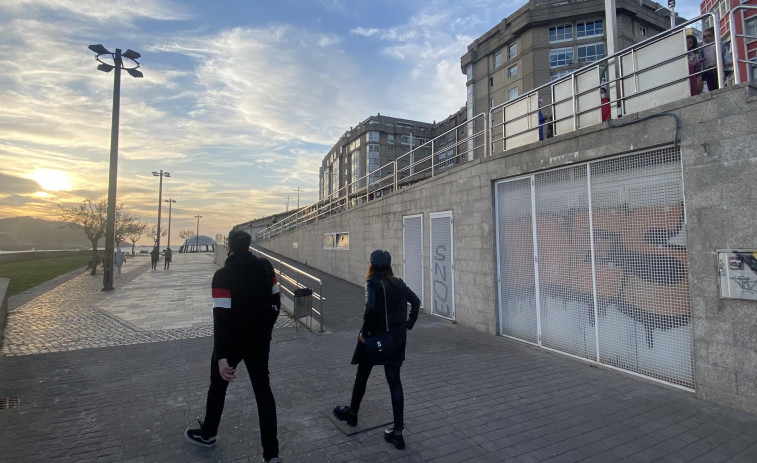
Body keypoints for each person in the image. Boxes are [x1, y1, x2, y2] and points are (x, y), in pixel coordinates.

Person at [185, 230, 282, 463]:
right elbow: (276, 304)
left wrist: (221, 356)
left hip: (232, 343)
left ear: (230, 246)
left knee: (218, 387)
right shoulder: (266, 269)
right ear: (249, 245)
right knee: (264, 393)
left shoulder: (223, 275)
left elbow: (221, 317)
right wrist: (265, 330)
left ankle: (208, 433)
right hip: (260, 341)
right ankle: (272, 455)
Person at [333, 250, 420, 450]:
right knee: (395, 383)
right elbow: (416, 302)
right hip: (395, 341)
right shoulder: (398, 282)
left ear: (372, 265)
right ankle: (398, 433)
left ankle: (352, 414)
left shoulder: (371, 283)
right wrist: (409, 324)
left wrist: (364, 333)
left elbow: (370, 308)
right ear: (389, 265)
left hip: (374, 339)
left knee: (362, 375)